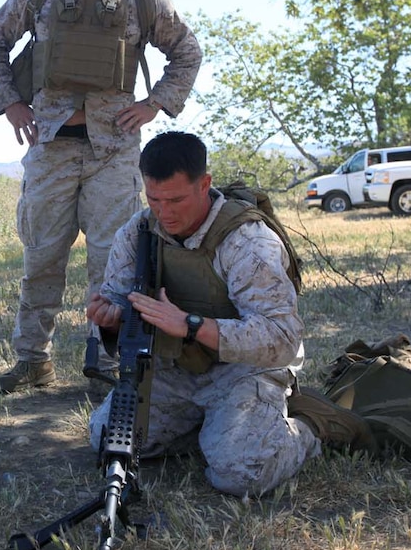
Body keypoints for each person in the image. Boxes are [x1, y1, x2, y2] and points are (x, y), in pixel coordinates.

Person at [0, 0, 203, 394]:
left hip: (114, 152)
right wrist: (10, 104)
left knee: (113, 263)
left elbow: (187, 51)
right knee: (41, 257)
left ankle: (106, 360)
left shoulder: (142, 1)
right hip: (51, 147)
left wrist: (155, 104)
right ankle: (32, 359)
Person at [85, 132, 370, 497]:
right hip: (176, 369)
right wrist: (111, 317)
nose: (164, 212)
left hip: (243, 369)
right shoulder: (138, 232)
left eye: (175, 199)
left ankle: (310, 427)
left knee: (242, 473)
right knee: (107, 439)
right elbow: (117, 297)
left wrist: (190, 325)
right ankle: (213, 429)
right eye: (154, 199)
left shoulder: (248, 241)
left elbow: (281, 338)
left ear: (204, 185)